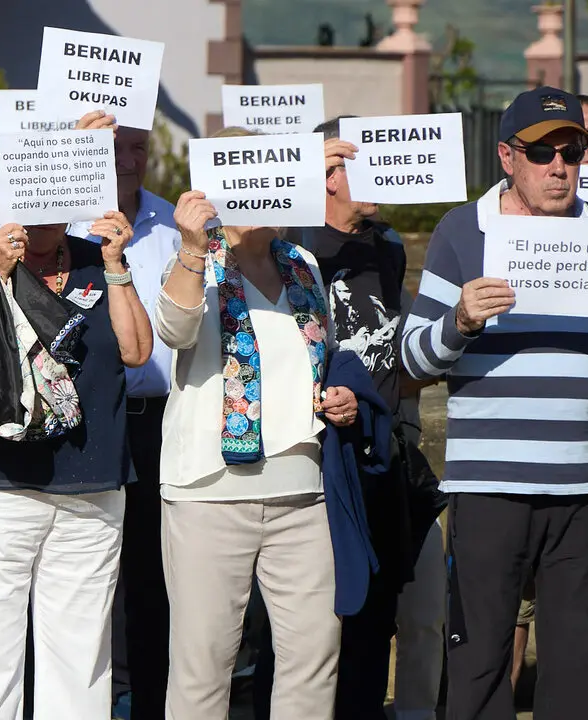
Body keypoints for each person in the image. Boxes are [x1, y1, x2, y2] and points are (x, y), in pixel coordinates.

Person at [401, 87, 588, 720]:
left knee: (578, 668)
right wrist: (459, 320)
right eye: (542, 153)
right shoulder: (463, 230)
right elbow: (412, 361)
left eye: (572, 150)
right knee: (481, 664)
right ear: (507, 157)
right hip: (490, 488)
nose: (560, 165)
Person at [0, 109, 154, 718]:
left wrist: (115, 264)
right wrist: (1, 270)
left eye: (67, 187)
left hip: (91, 490)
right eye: (40, 187)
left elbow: (136, 351)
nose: (51, 206)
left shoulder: (96, 260)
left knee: (80, 666)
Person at [156, 126, 359, 719]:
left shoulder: (302, 263)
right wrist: (193, 247)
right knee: (203, 670)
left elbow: (318, 357)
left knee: (313, 659)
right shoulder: (199, 260)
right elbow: (175, 328)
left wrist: (337, 398)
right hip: (208, 495)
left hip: (302, 491)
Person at [256, 116, 446, 720]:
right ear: (328, 174)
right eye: (361, 161)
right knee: (306, 627)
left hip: (378, 450)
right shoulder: (293, 238)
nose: (383, 177)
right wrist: (301, 179)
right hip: (315, 457)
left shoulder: (387, 247)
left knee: (375, 617)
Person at [67, 116, 181, 720]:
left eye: (139, 147)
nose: (129, 160)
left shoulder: (174, 223)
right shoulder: (58, 223)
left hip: (163, 420)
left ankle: (151, 704)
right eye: (114, 149)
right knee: (86, 572)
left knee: (152, 575)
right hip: (87, 420)